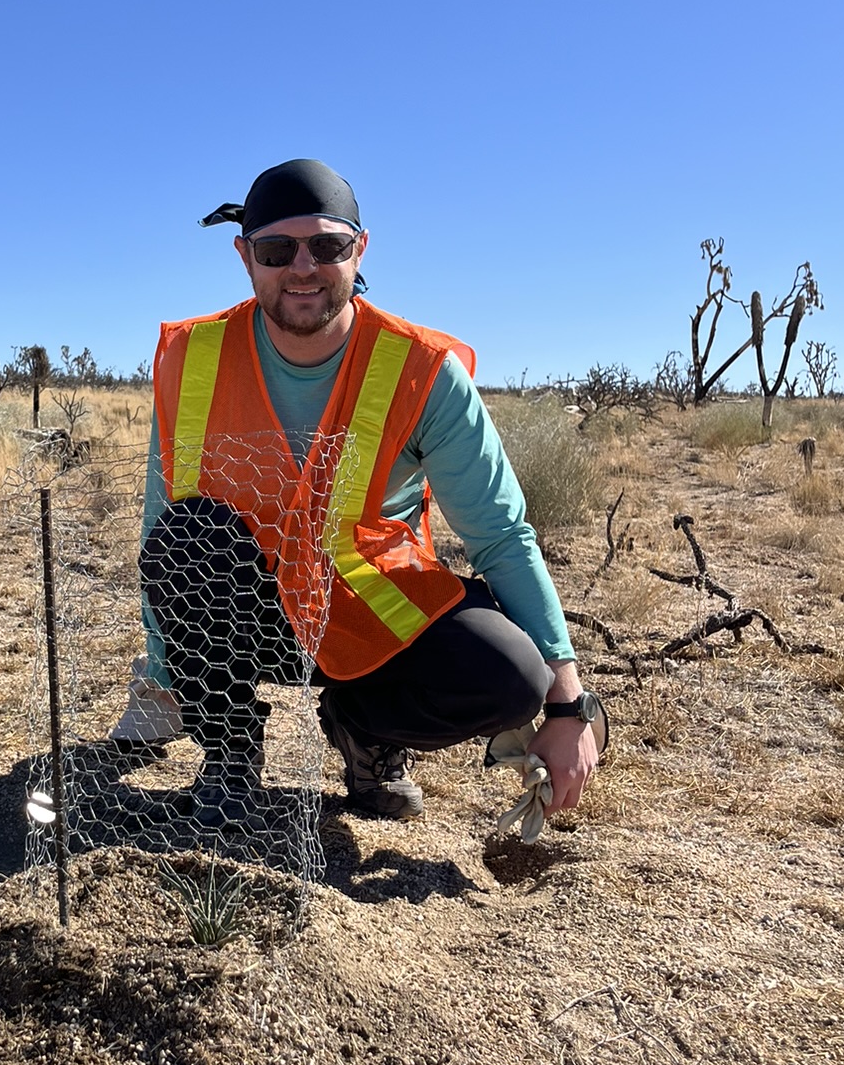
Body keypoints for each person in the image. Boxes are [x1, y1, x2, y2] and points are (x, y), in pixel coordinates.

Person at [126, 158, 601, 830]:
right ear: (244, 256)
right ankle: (229, 754)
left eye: (327, 246)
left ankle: (366, 732)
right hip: (246, 616)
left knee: (511, 675)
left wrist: (567, 702)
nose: (303, 268)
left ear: (360, 249)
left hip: (371, 616)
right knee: (187, 538)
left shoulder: (421, 370)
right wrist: (164, 669)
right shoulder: (192, 358)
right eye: (276, 249)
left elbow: (499, 536)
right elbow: (161, 522)